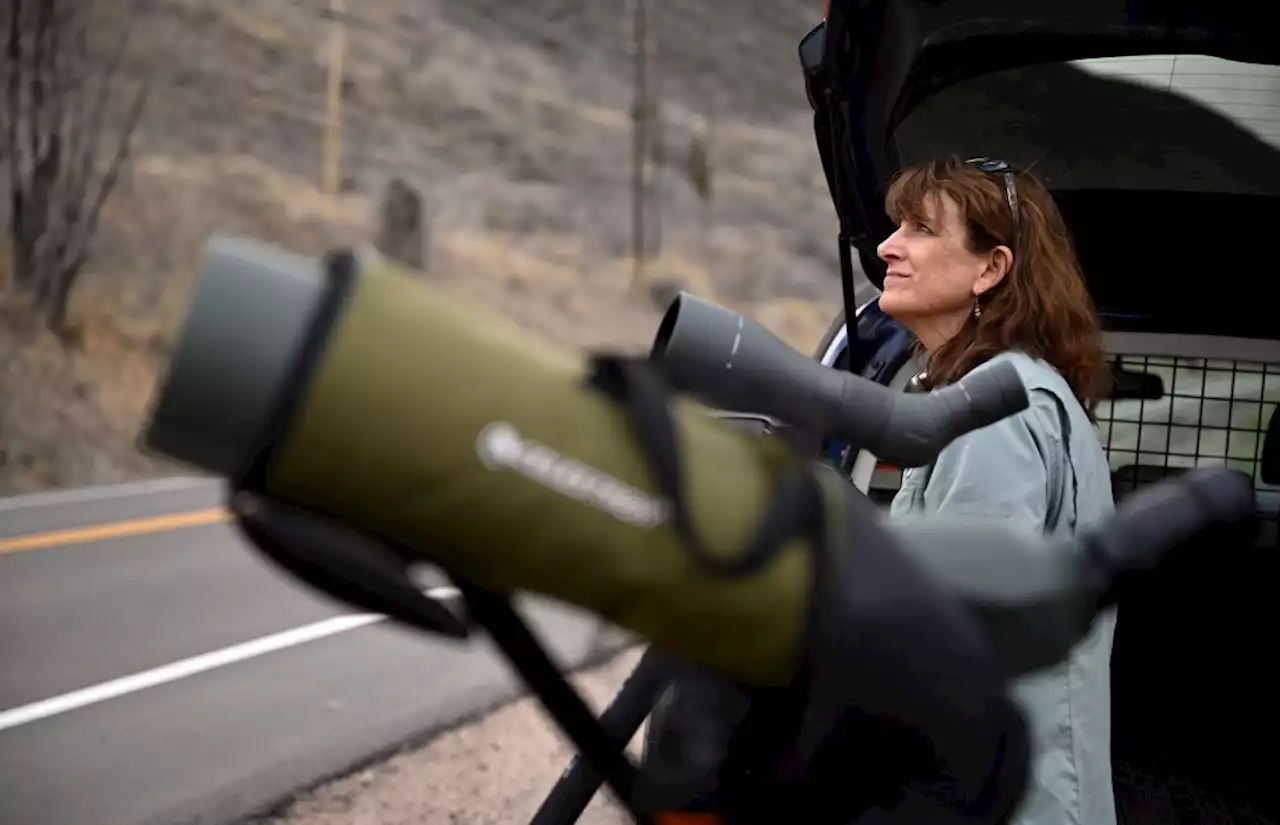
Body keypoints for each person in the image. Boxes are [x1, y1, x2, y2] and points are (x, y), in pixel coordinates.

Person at [875, 155, 1118, 825]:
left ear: (991, 268)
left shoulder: (997, 411)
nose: (886, 246)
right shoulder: (992, 393)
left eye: (921, 228)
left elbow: (961, 630)